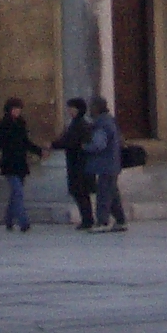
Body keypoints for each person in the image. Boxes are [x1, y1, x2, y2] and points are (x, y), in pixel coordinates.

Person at [0, 97, 48, 232]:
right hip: (9, 163)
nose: (17, 111)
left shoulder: (21, 123)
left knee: (15, 194)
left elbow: (26, 142)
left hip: (21, 162)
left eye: (19, 109)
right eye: (15, 109)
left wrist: (39, 151)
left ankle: (8, 219)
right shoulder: (2, 125)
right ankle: (24, 222)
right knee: (18, 192)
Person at [83, 95, 127, 232]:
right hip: (112, 164)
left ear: (96, 108)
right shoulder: (111, 121)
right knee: (112, 194)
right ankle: (121, 221)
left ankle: (102, 222)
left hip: (105, 165)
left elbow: (99, 144)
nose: (90, 110)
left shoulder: (101, 124)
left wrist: (85, 147)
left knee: (103, 194)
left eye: (91, 106)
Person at [51, 97, 95, 229]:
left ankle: (87, 220)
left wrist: (53, 145)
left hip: (79, 164)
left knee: (80, 192)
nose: (69, 111)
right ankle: (87, 219)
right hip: (78, 163)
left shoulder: (79, 124)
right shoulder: (77, 123)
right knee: (81, 193)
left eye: (71, 108)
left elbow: (70, 141)